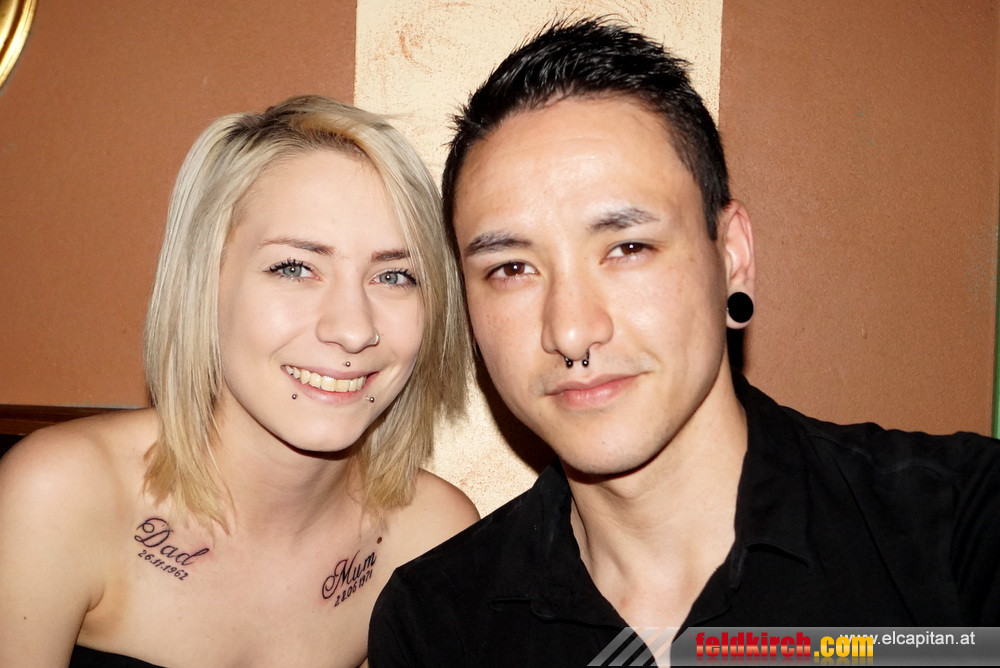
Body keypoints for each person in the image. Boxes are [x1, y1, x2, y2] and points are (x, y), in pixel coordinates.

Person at [368, 18, 1000, 666]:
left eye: (628, 248)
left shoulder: (963, 529)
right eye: (511, 268)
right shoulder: (437, 626)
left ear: (732, 257)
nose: (571, 330)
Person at [0, 95, 479, 667]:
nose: (354, 329)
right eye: (295, 268)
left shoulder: (432, 536)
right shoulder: (60, 492)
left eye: (395, 275)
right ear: (205, 283)